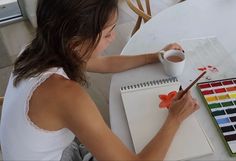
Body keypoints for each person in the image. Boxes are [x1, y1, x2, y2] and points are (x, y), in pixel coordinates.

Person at [0, 0, 199, 160]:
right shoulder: (66, 96)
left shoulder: (38, 48)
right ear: (76, 43)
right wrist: (175, 118)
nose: (113, 38)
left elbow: (104, 64)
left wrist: (155, 56)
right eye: (107, 33)